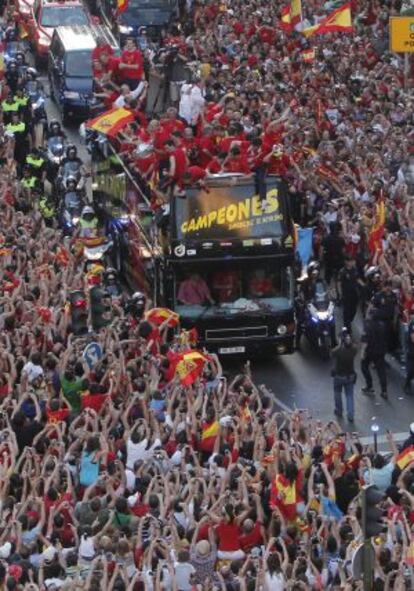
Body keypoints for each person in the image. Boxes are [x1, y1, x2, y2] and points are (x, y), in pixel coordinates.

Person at [361, 303, 388, 399]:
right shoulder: (382, 325)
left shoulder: (368, 325)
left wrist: (362, 352)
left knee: (364, 366)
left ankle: (369, 385)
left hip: (370, 351)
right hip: (380, 350)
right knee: (381, 371)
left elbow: (365, 340)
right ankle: (384, 390)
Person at [331, 328, 358, 422]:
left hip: (338, 375)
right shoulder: (353, 350)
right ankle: (350, 415)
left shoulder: (338, 351)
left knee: (337, 393)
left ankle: (339, 410)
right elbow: (354, 347)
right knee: (349, 396)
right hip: (350, 376)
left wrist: (339, 344)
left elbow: (332, 353)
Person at [337, 256, 362, 332]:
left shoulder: (354, 270)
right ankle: (347, 329)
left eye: (352, 261)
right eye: (350, 261)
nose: (351, 262)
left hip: (354, 294)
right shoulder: (342, 272)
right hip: (346, 294)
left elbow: (357, 279)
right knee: (347, 312)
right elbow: (339, 283)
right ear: (346, 262)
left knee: (353, 310)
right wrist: (340, 294)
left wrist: (363, 285)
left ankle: (349, 321)